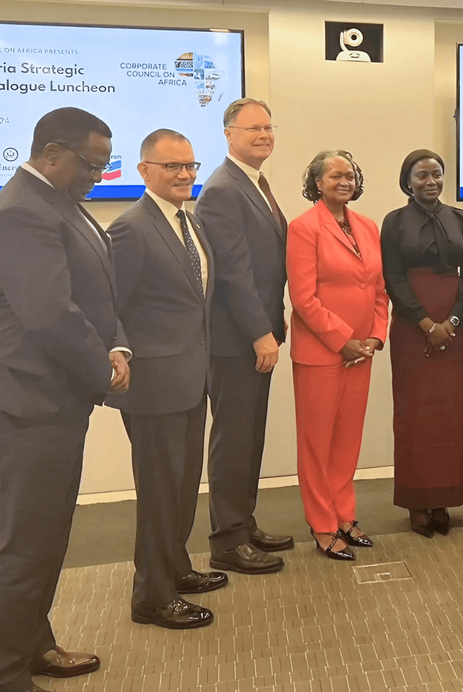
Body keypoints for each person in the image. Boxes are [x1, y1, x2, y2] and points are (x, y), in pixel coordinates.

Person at [0, 107, 130, 692]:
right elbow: (49, 314)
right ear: (53, 153)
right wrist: (101, 367)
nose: (99, 177)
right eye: (93, 165)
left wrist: (116, 345)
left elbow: (94, 289)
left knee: (45, 537)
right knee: (25, 544)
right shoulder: (23, 211)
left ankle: (34, 644)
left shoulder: (56, 201)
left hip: (53, 401)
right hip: (32, 404)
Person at [105, 129, 224, 631]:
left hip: (192, 381)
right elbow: (110, 302)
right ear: (144, 171)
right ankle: (151, 596)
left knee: (179, 487)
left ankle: (175, 568)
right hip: (153, 387)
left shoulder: (188, 222)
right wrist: (118, 352)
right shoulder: (132, 227)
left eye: (191, 166)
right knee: (158, 494)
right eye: (173, 166)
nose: (185, 175)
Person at [197, 98, 292, 576]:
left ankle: (243, 522)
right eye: (253, 128)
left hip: (257, 334)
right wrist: (260, 332)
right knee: (233, 439)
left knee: (250, 435)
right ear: (229, 134)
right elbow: (232, 274)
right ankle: (227, 542)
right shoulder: (222, 189)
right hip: (236, 341)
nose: (264, 135)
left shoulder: (254, 183)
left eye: (269, 127)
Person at [287, 150, 388, 561]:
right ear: (316, 182)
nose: (343, 181)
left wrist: (375, 338)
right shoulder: (303, 228)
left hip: (362, 352)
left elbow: (379, 290)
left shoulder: (367, 225)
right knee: (317, 443)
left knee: (347, 441)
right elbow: (303, 298)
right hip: (321, 354)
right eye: (334, 175)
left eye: (349, 175)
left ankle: (345, 514)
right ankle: (323, 523)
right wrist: (343, 339)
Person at [381, 150, 463, 537]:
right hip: (411, 325)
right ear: (408, 180)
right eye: (422, 175)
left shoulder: (459, 218)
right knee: (414, 415)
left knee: (449, 415)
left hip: (453, 326)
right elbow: (392, 276)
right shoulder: (394, 222)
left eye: (436, 174)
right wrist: (425, 323)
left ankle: (444, 498)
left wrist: (454, 322)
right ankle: (417, 501)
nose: (431, 181)